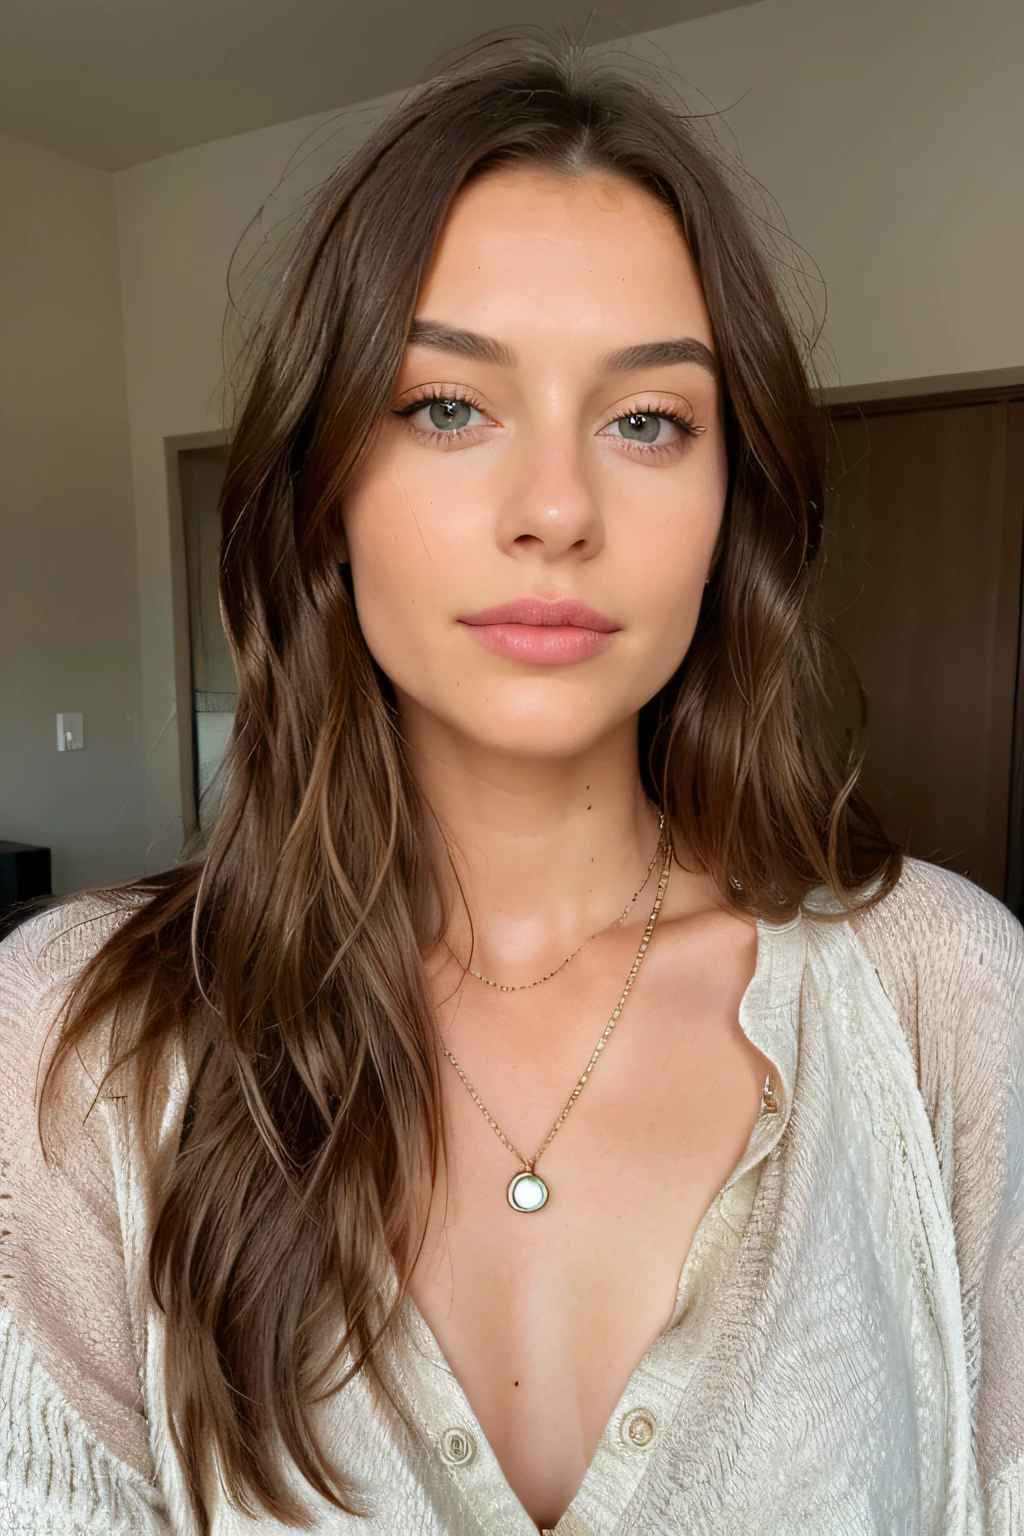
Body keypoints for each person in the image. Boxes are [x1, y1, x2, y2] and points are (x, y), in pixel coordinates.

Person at [1, 38, 1021, 1536]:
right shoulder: (68, 1043)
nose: (557, 509)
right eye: (448, 407)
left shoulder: (949, 996)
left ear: (733, 501)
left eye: (648, 421)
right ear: (325, 490)